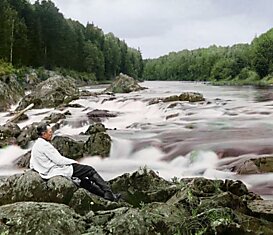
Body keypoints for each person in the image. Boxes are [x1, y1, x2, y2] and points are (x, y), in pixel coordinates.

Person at [30, 123, 120, 201]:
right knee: (90, 170)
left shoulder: (36, 145)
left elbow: (32, 163)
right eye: (50, 132)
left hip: (47, 170)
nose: (52, 134)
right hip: (54, 170)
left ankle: (103, 195)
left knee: (83, 179)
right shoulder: (45, 146)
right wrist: (74, 162)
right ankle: (108, 193)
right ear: (43, 134)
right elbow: (59, 160)